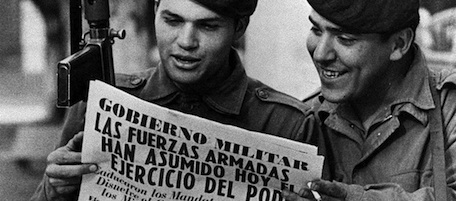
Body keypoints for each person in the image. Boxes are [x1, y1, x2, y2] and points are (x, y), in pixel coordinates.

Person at [30, 0, 310, 200]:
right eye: (173, 20)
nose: (186, 41)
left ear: (239, 29)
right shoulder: (103, 102)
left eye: (208, 26)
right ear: (154, 13)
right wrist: (52, 190)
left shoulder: (285, 124)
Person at [283, 0, 456, 200]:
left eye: (345, 38)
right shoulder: (305, 120)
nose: (321, 54)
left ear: (398, 44)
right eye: (316, 30)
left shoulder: (448, 108)